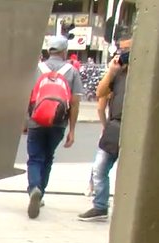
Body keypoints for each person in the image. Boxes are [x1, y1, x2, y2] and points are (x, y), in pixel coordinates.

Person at [24, 35, 83, 219]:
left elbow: (27, 96)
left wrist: (25, 121)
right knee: (48, 158)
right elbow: (75, 103)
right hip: (58, 123)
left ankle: (34, 187)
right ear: (65, 51)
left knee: (35, 157)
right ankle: (41, 191)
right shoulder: (72, 71)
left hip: (36, 121)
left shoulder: (36, 69)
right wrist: (72, 130)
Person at [78, 33, 131, 222]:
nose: (123, 53)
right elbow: (100, 94)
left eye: (127, 49)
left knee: (130, 172)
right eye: (121, 49)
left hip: (130, 127)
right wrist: (111, 72)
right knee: (99, 168)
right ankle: (100, 206)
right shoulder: (118, 73)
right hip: (113, 126)